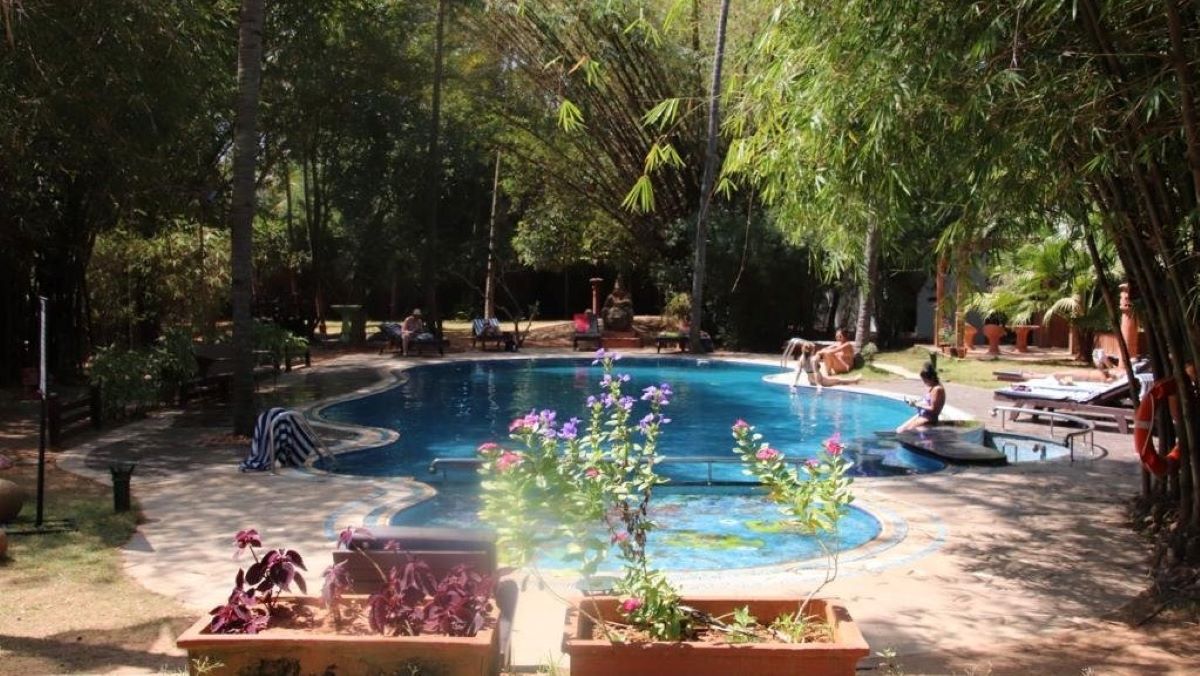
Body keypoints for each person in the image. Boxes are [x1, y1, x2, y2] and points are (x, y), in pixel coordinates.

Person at [897, 363, 946, 433]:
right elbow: (927, 401)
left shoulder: (937, 389)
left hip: (929, 419)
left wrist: (917, 404)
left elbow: (933, 408)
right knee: (899, 430)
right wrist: (916, 402)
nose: (924, 382)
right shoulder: (932, 386)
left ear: (931, 378)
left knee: (903, 432)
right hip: (923, 415)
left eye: (925, 380)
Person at [791, 342, 862, 390]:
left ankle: (854, 380)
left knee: (836, 379)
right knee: (838, 380)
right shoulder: (813, 359)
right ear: (812, 351)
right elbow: (816, 372)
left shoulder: (801, 359)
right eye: (813, 350)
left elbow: (798, 372)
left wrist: (795, 383)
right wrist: (818, 385)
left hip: (811, 380)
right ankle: (854, 380)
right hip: (821, 381)